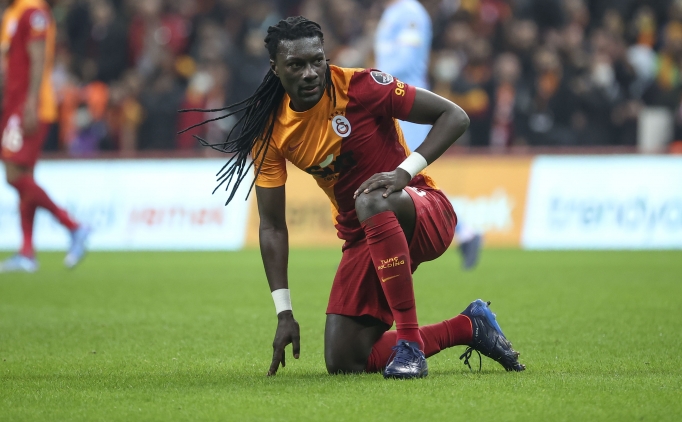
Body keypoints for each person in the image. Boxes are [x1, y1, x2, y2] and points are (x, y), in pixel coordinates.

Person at [184, 16, 524, 379]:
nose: (310, 73)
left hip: (423, 211)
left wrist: (403, 172)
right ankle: (469, 327)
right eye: (296, 65)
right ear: (275, 68)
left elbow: (454, 116)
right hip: (363, 235)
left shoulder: (361, 86)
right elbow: (272, 227)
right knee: (345, 360)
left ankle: (410, 346)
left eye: (317, 61)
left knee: (371, 198)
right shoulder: (271, 129)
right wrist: (284, 312)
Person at [375, 0, 483, 270]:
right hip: (389, 103)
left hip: (409, 105)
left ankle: (464, 231)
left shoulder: (410, 12)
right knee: (404, 177)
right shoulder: (392, 12)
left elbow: (405, 60)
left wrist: (370, 77)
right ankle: (464, 232)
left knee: (408, 175)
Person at [0, 0, 90, 273]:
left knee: (13, 174)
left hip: (29, 105)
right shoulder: (14, 12)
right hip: (15, 103)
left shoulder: (33, 11)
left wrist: (30, 102)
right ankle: (27, 252)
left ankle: (73, 225)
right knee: (24, 175)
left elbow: (38, 57)